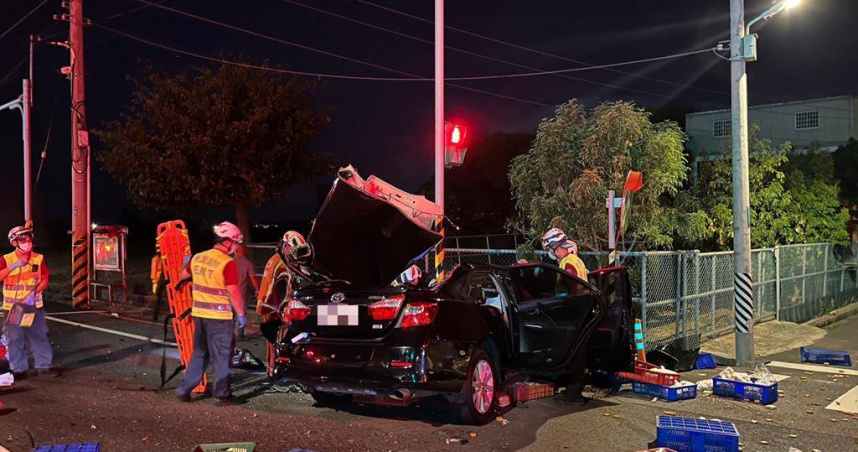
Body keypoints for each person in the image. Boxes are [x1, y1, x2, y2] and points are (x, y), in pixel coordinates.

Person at [175, 221, 247, 405]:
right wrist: (240, 314)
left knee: (200, 353)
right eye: (235, 242)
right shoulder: (227, 263)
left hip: (200, 315)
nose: (236, 246)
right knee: (221, 356)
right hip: (220, 318)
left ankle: (184, 390)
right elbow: (234, 292)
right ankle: (222, 395)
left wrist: (186, 263)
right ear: (228, 242)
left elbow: (183, 275)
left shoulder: (198, 258)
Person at [541, 227, 589, 405]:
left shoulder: (568, 263)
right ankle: (572, 390)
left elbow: (570, 290)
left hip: (574, 315)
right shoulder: (574, 261)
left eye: (550, 249)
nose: (550, 253)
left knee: (574, 355)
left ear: (556, 247)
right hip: (581, 313)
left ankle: (574, 394)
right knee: (576, 354)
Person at [0, 225, 53, 378]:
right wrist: (14, 266)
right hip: (14, 308)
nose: (27, 243)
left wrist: (35, 292)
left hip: (34, 305)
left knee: (39, 336)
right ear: (14, 243)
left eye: (29, 240)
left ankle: (43, 367)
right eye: (23, 240)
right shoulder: (6, 259)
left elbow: (44, 279)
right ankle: (19, 369)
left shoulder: (39, 258)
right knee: (15, 338)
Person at [232, 243, 258, 340]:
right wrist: (258, 290)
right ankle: (239, 335)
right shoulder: (248, 263)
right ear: (245, 251)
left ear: (235, 250)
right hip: (241, 294)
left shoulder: (230, 262)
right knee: (240, 314)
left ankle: (229, 334)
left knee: (230, 315)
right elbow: (253, 279)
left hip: (228, 293)